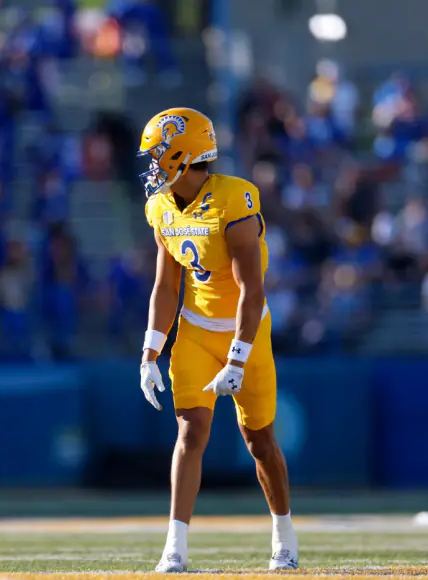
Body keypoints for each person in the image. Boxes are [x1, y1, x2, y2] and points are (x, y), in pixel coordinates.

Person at [137, 108, 298, 573]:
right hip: (195, 330)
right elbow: (166, 286)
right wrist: (150, 352)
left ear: (182, 155)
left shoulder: (235, 198)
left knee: (260, 441)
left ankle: (284, 534)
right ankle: (175, 546)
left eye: (157, 155)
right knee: (190, 433)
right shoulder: (161, 207)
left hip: (247, 331)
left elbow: (253, 288)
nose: (151, 165)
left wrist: (239, 355)